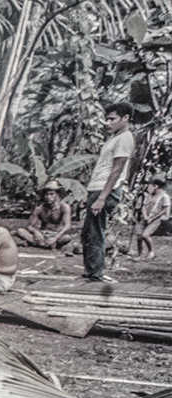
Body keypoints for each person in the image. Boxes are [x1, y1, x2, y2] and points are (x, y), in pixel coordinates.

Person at [81, 102, 135, 282]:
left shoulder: (125, 138)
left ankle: (95, 273)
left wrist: (102, 197)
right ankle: (91, 271)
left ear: (125, 118)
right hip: (97, 187)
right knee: (88, 231)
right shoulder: (114, 138)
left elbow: (117, 169)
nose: (108, 122)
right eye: (107, 119)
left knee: (95, 230)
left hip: (105, 189)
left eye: (112, 119)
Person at [14, 180, 73, 249]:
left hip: (56, 234)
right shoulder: (39, 209)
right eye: (46, 194)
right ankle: (46, 244)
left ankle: (40, 244)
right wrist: (36, 232)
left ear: (57, 195)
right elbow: (29, 226)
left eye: (51, 194)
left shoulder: (64, 207)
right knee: (20, 231)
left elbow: (67, 226)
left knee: (67, 238)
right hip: (42, 234)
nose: (48, 197)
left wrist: (55, 237)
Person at [132, 175, 170, 260]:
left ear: (156, 186)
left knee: (145, 235)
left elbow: (164, 210)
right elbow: (144, 206)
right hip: (145, 218)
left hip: (155, 219)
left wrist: (152, 218)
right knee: (139, 235)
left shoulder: (164, 197)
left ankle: (151, 252)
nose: (148, 187)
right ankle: (140, 255)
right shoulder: (149, 195)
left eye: (150, 185)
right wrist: (145, 216)